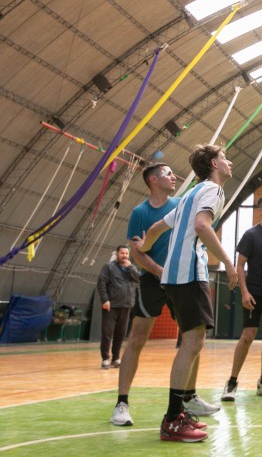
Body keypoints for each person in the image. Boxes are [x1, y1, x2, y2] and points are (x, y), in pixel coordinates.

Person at [133, 144, 238, 442]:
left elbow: (155, 228)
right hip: (189, 272)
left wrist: (146, 247)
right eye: (225, 158)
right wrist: (229, 263)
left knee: (192, 341)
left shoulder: (191, 193)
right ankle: (172, 418)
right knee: (193, 342)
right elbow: (202, 225)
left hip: (173, 275)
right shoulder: (213, 191)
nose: (229, 162)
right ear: (215, 164)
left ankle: (178, 411)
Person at [110, 163, 183, 427]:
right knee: (137, 338)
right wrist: (159, 271)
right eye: (167, 172)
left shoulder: (181, 205)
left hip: (180, 281)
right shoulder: (139, 213)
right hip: (152, 282)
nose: (173, 175)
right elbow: (137, 253)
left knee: (191, 338)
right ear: (153, 180)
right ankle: (121, 403)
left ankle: (188, 398)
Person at [221, 194, 262, 402]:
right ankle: (231, 382)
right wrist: (244, 292)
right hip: (255, 293)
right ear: (261, 210)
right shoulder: (251, 235)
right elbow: (240, 265)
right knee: (248, 335)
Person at [97, 245, 140, 369]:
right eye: (122, 253)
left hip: (126, 306)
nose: (125, 256)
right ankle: (105, 358)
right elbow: (101, 283)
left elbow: (138, 278)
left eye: (126, 253)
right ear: (117, 254)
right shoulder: (109, 267)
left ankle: (116, 358)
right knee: (107, 333)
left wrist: (130, 267)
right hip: (111, 306)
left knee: (120, 334)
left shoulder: (130, 268)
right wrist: (105, 300)